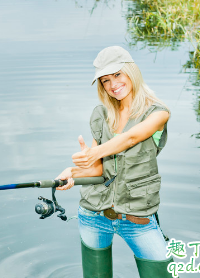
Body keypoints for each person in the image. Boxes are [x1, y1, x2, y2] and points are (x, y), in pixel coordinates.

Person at [55, 46, 173, 278]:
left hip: (138, 218)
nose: (112, 84)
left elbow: (131, 138)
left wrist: (94, 151)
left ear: (132, 72)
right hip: (93, 214)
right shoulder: (101, 115)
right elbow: (98, 168)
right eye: (105, 80)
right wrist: (72, 172)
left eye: (117, 74)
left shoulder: (158, 113)